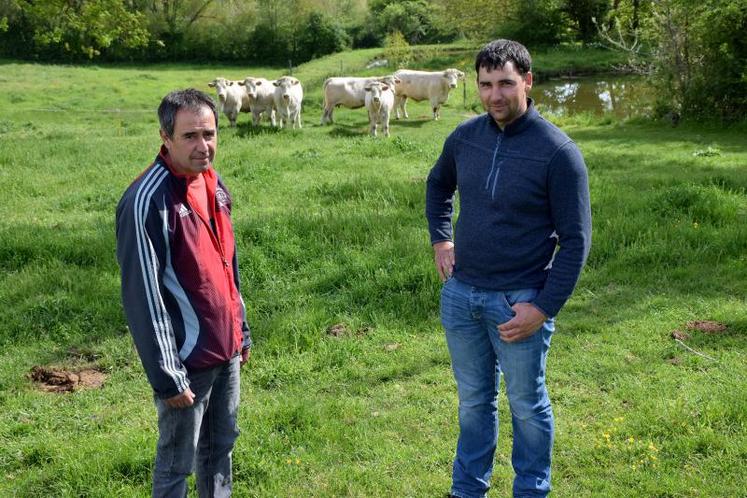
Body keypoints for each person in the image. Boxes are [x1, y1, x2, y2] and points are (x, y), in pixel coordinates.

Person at [425, 40, 591, 498]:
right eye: (485, 85)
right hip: (462, 297)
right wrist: (442, 238)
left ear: (528, 82)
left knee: (525, 404)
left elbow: (576, 243)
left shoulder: (558, 152)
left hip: (518, 302)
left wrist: (542, 307)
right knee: (474, 402)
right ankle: (467, 490)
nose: (494, 95)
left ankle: (531, 490)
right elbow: (438, 185)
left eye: (505, 84)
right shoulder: (464, 137)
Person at [116, 88, 252, 497]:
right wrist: (167, 374)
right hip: (185, 361)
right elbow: (143, 295)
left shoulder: (214, 184)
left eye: (209, 134)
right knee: (177, 465)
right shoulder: (146, 200)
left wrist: (240, 330)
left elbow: (228, 265)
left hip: (225, 351)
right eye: (190, 136)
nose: (203, 146)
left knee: (221, 449)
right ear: (165, 136)